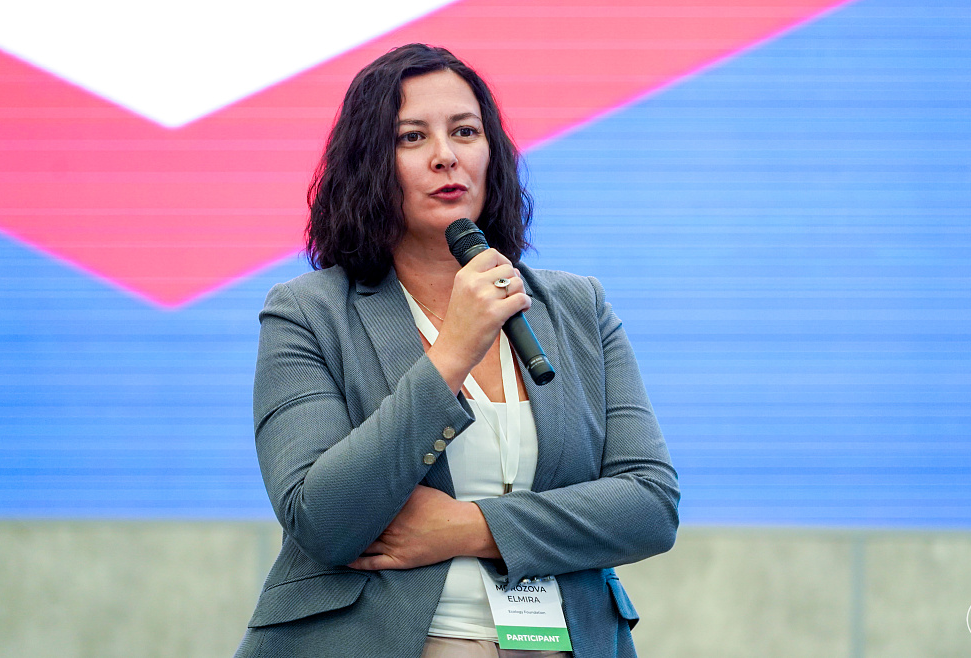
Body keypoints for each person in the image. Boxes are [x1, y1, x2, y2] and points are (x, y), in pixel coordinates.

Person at [235, 44, 679, 658]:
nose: (446, 155)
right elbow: (323, 518)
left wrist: (467, 528)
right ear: (369, 163)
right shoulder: (308, 313)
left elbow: (649, 503)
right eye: (412, 137)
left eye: (465, 132)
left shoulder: (578, 306)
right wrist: (452, 354)